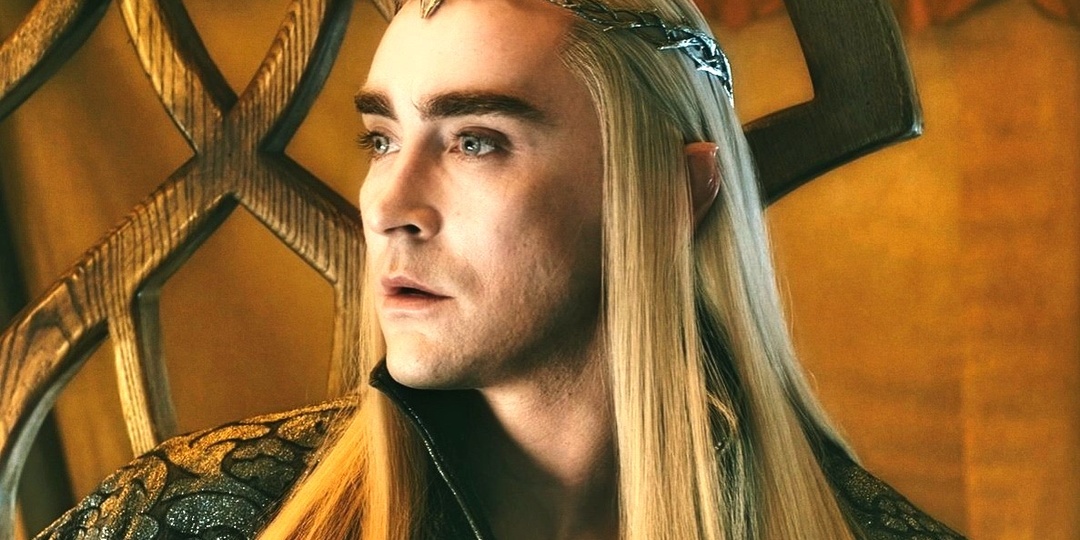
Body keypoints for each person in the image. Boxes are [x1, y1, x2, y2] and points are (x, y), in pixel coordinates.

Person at [36, 0, 965, 539]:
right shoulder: (191, 520)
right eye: (380, 138)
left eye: (476, 140)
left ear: (671, 194)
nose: (389, 204)